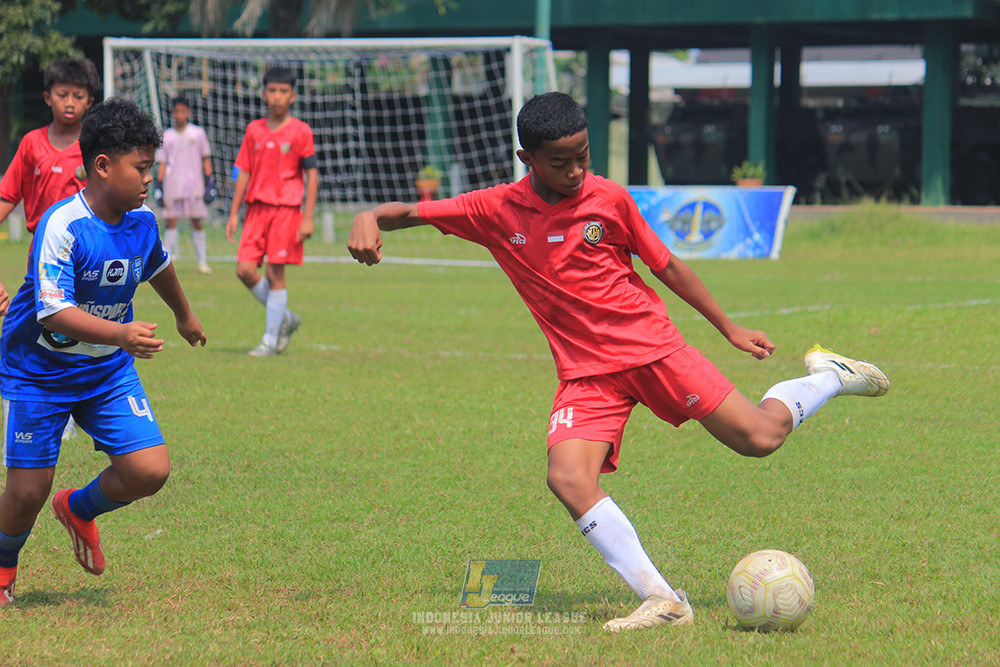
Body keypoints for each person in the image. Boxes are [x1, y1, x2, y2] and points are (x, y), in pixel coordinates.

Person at [347, 92, 890, 632]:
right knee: (567, 477)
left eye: (584, 155)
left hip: (652, 349)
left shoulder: (609, 200)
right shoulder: (495, 210)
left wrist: (729, 327)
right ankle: (663, 599)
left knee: (760, 438)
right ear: (526, 161)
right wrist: (367, 215)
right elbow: (409, 212)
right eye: (560, 163)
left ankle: (829, 378)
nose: (577, 171)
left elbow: (667, 267)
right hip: (586, 375)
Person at [0, 98, 207, 607]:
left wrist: (183, 314)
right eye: (141, 168)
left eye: (150, 169)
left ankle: (80, 508)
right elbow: (51, 312)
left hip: (105, 371)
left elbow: (157, 265)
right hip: (38, 372)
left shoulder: (141, 222)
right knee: (26, 494)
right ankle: (3, 568)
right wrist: (120, 334)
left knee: (148, 471)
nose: (148, 180)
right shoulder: (62, 224)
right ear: (102, 166)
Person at [0, 56, 101, 439]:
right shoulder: (31, 145)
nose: (71, 102)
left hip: (86, 262)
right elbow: (8, 195)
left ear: (90, 101)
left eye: (79, 95)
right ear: (47, 97)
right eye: (63, 94)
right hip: (39, 264)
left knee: (74, 337)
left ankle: (72, 413)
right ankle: (20, 405)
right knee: (22, 333)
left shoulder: (94, 149)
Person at [225, 67, 317, 357]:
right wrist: (233, 212)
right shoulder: (254, 129)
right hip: (255, 210)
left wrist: (309, 216)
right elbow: (244, 171)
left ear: (293, 95)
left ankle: (269, 339)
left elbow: (312, 175)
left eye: (283, 91)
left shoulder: (301, 131)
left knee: (276, 274)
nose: (277, 96)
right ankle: (285, 318)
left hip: (286, 211)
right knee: (244, 270)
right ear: (264, 94)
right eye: (272, 90)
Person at [154, 96, 217, 275]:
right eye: (177, 111)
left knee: (197, 221)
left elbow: (206, 158)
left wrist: (210, 182)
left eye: (183, 111)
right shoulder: (167, 136)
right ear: (173, 113)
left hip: (194, 185)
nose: (180, 115)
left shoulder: (197, 133)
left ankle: (202, 262)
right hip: (173, 185)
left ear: (188, 112)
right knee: (171, 221)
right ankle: (166, 263)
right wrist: (159, 185)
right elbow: (163, 162)